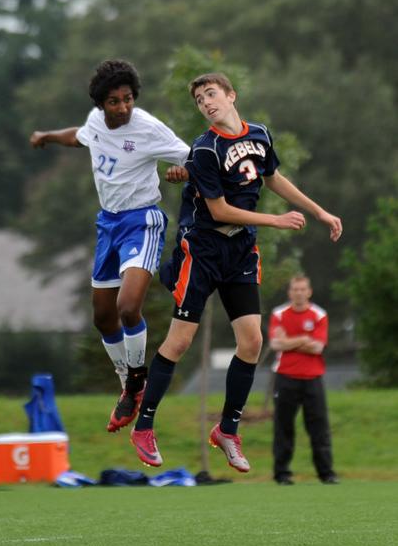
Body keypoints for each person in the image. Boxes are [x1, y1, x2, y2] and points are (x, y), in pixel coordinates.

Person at [130, 72, 342, 472]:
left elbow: (274, 177)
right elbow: (219, 211)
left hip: (240, 250)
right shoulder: (205, 149)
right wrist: (275, 221)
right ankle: (144, 425)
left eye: (211, 94)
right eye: (199, 100)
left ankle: (227, 429)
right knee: (179, 343)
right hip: (204, 249)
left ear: (231, 95)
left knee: (251, 342)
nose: (206, 102)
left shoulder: (259, 135)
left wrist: (319, 211)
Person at [30, 59, 189, 432]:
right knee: (103, 317)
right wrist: (48, 136)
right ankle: (127, 383)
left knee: (128, 306)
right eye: (114, 101)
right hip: (108, 224)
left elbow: (191, 157)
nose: (123, 107)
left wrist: (183, 172)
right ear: (101, 103)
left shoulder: (148, 128)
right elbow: (81, 136)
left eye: (128, 99)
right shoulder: (96, 121)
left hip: (142, 221)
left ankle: (137, 380)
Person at [269, 274, 339, 485]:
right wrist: (303, 339)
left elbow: (318, 347)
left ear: (309, 292)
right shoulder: (279, 314)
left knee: (319, 427)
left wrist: (289, 341)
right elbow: (276, 344)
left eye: (302, 289)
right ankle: (282, 474)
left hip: (313, 377)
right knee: (283, 427)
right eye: (295, 289)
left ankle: (326, 473)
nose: (298, 293)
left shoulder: (319, 315)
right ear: (289, 292)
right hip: (285, 377)